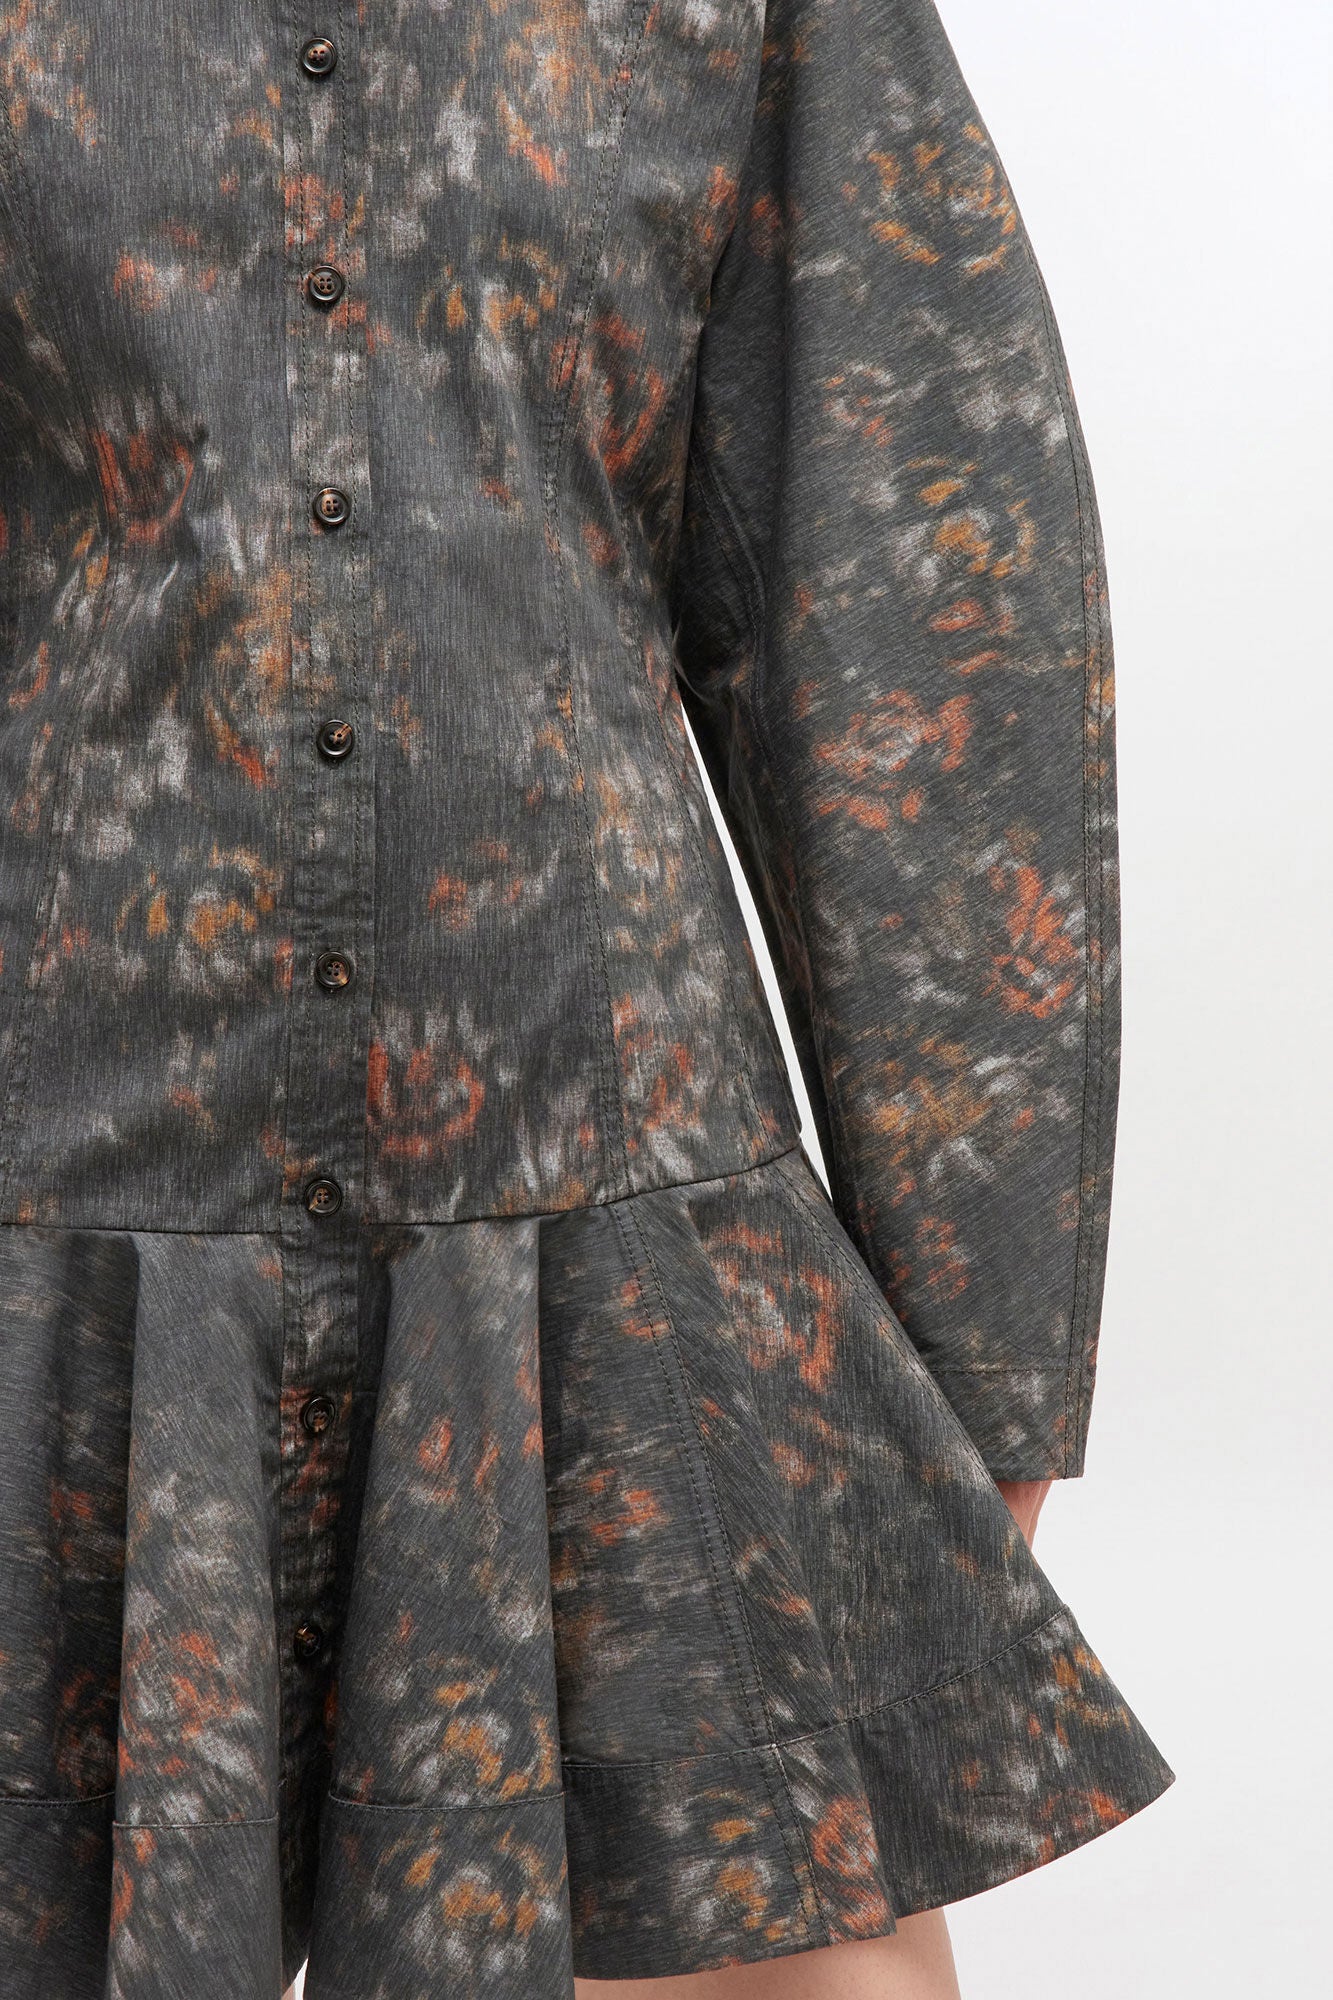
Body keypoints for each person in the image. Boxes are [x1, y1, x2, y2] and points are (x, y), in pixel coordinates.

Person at [0, 0, 1172, 1993]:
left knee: (792, 1954)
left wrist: (980, 1356)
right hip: (66, 1238)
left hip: (609, 1209)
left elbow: (909, 600)